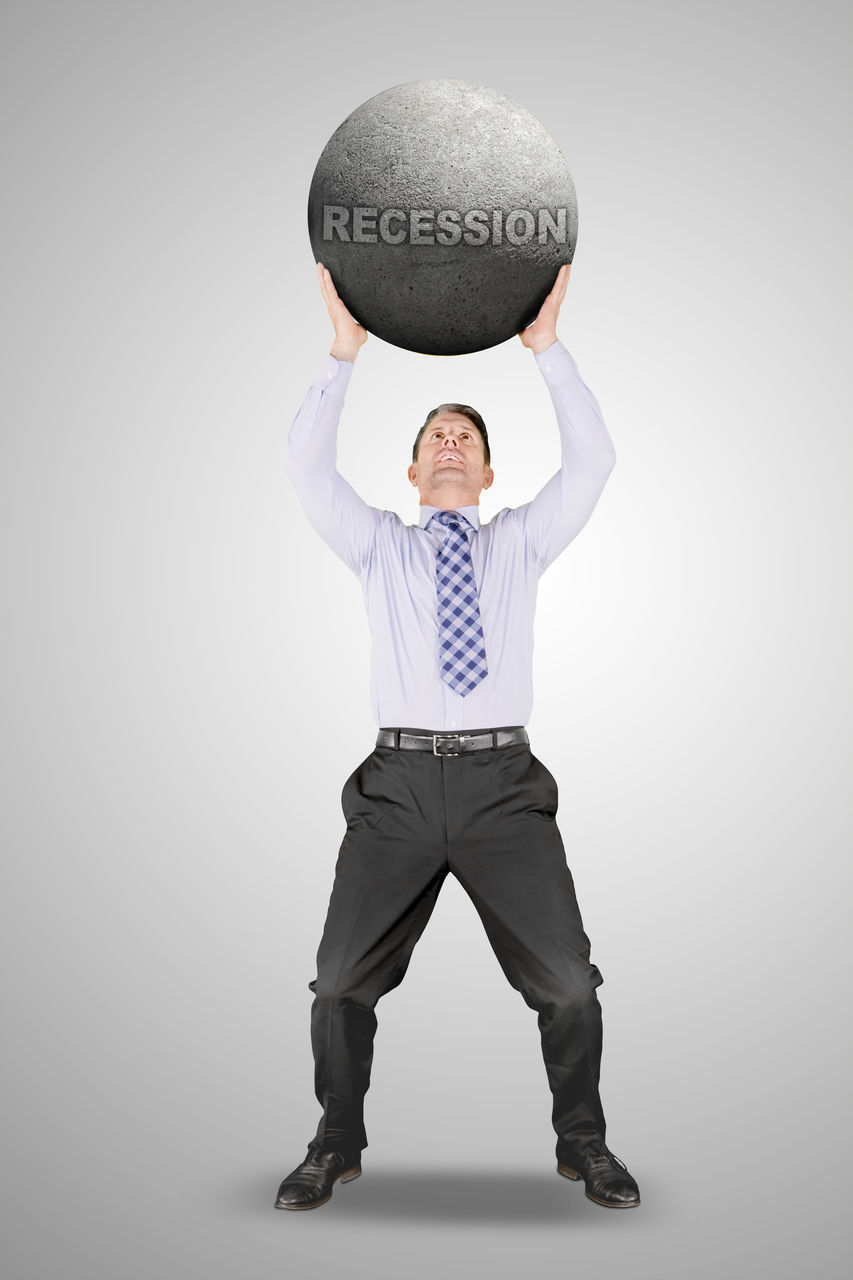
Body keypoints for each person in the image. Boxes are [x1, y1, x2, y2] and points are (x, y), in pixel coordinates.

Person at [275, 261, 639, 1212]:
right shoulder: (378, 547)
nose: (448, 442)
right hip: (395, 788)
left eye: (465, 437)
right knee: (336, 983)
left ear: (485, 472)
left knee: (567, 984)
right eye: (435, 434)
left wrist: (547, 354)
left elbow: (594, 463)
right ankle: (334, 1141)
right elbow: (307, 467)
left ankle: (584, 1143)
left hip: (502, 788)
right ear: (411, 469)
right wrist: (342, 357)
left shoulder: (519, 540)